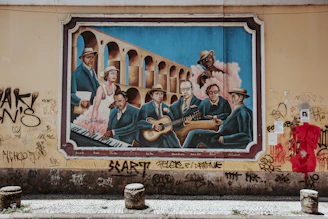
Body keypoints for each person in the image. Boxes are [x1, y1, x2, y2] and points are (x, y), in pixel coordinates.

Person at [183, 88, 253, 149]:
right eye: (232, 96)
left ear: (240, 98)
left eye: (234, 96)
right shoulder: (239, 110)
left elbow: (246, 136)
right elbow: (234, 126)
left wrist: (224, 139)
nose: (232, 98)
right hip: (222, 137)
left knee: (195, 135)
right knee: (195, 134)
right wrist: (222, 123)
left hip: (226, 142)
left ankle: (184, 156)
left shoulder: (243, 112)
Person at [73, 66, 120, 136]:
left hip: (108, 116)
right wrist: (92, 125)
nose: (114, 76)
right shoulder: (101, 89)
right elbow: (95, 108)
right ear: (107, 76)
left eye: (115, 74)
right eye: (112, 73)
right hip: (97, 116)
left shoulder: (115, 87)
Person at [137, 84, 181, 148]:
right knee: (164, 141)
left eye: (161, 94)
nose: (159, 96)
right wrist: (153, 126)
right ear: (152, 96)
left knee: (169, 137)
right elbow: (139, 122)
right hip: (149, 134)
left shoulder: (166, 107)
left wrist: (182, 121)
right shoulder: (145, 107)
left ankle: (178, 152)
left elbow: (172, 123)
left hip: (163, 134)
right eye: (157, 94)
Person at [71, 47, 100, 122]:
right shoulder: (76, 74)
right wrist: (80, 101)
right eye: (88, 57)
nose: (91, 60)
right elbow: (70, 93)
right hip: (81, 113)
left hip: (92, 110)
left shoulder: (92, 71)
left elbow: (98, 86)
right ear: (82, 58)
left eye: (92, 57)